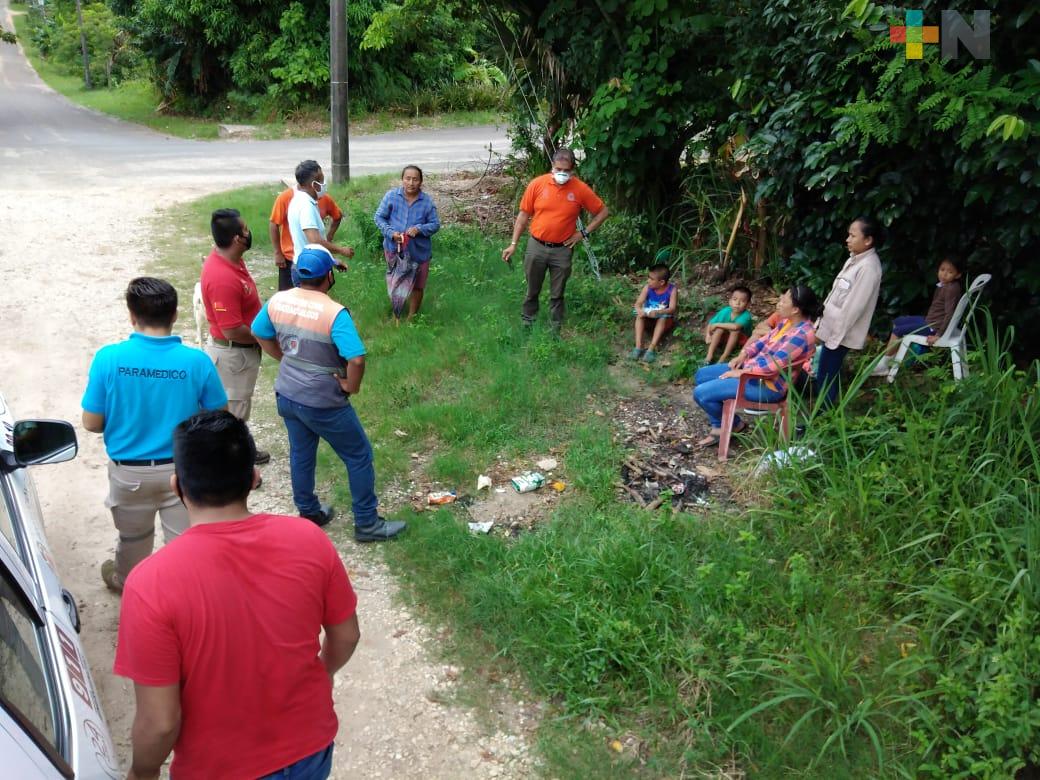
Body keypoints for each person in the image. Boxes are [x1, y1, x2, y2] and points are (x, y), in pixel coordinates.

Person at [113, 411, 360, 780]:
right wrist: (322, 675)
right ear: (254, 477)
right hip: (310, 748)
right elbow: (347, 635)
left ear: (176, 485)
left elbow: (161, 722)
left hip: (220, 768)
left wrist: (141, 773)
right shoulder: (308, 539)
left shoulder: (150, 583)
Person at [81, 277, 227, 593]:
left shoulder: (108, 359)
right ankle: (184, 594)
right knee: (184, 545)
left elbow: (91, 422)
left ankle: (128, 583)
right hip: (183, 470)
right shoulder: (196, 362)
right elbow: (220, 418)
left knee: (133, 539)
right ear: (174, 315)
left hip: (128, 473)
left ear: (132, 316)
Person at [251, 245, 406, 542]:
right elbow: (356, 358)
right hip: (323, 400)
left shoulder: (278, 299)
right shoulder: (334, 313)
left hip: (287, 394)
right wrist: (351, 386)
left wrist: (284, 359)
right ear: (328, 276)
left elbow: (259, 331)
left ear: (298, 275)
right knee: (358, 455)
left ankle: (309, 511)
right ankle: (367, 524)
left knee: (301, 453)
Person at [692, 285, 820, 447]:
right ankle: (735, 425)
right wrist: (743, 355)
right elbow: (762, 341)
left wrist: (741, 372)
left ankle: (722, 427)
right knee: (701, 375)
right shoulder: (788, 323)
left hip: (768, 385)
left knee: (701, 393)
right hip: (752, 370)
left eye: (784, 300)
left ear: (795, 309)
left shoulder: (802, 335)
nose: (779, 302)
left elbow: (773, 366)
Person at [501, 148, 610, 331]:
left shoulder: (580, 189)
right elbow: (523, 215)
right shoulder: (537, 184)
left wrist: (583, 233)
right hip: (536, 245)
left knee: (557, 292)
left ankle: (555, 328)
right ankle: (528, 323)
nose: (562, 174)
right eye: (558, 169)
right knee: (532, 288)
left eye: (566, 171)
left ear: (573, 169)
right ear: (552, 166)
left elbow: (603, 212)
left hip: (562, 249)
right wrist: (513, 244)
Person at [200, 208, 270, 465]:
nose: (249, 232)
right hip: (233, 354)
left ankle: (241, 450)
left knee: (239, 408)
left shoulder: (230, 259)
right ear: (237, 238)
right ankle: (233, 466)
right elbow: (231, 328)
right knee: (233, 414)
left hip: (239, 352)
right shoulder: (222, 277)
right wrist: (264, 337)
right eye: (246, 229)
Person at [814, 216, 885, 407]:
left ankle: (822, 417)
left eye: (852, 235)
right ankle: (822, 415)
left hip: (841, 333)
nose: (847, 239)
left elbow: (853, 309)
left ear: (868, 240)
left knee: (827, 373)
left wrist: (835, 337)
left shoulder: (869, 268)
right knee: (825, 372)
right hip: (832, 329)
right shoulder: (855, 260)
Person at [871, 256, 964, 376]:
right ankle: (893, 357)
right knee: (898, 321)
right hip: (931, 320)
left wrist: (938, 335)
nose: (944, 274)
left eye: (950, 272)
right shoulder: (946, 285)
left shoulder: (950, 289)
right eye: (942, 269)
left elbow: (950, 314)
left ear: (958, 275)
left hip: (934, 326)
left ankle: (883, 365)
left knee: (898, 331)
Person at [374, 165, 442, 321]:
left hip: (419, 251)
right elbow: (379, 217)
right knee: (396, 282)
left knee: (418, 285)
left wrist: (419, 229)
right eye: (408, 178)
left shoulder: (426, 202)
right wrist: (391, 233)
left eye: (415, 179)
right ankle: (396, 315)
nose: (411, 183)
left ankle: (411, 317)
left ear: (421, 182)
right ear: (402, 180)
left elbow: (435, 224)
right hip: (394, 249)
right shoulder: (391, 196)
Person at [287, 160, 354, 283]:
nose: (324, 184)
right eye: (321, 180)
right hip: (309, 271)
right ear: (314, 184)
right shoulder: (306, 206)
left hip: (306, 265)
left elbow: (307, 244)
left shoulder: (298, 200)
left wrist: (331, 261)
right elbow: (315, 241)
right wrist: (341, 250)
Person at [270, 184, 344, 291]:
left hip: (314, 260)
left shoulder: (323, 198)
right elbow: (274, 224)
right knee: (287, 298)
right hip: (290, 258)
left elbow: (337, 216)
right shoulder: (286, 197)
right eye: (320, 179)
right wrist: (277, 252)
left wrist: (328, 238)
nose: (323, 183)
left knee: (313, 299)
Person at [629, 263, 678, 363]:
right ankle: (638, 347)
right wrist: (640, 310)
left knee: (662, 318)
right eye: (648, 278)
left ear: (661, 282)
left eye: (651, 279)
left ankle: (651, 348)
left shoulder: (672, 290)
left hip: (664, 320)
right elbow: (638, 303)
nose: (648, 281)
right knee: (639, 316)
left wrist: (659, 312)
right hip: (649, 318)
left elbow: (672, 308)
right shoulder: (647, 288)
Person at [704, 286, 754, 363]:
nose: (737, 303)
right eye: (735, 299)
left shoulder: (746, 316)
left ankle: (723, 357)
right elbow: (711, 323)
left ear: (748, 304)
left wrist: (717, 324)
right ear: (730, 301)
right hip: (726, 336)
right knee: (719, 329)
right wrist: (708, 335)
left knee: (735, 331)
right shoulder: (726, 311)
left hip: (741, 340)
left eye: (742, 301)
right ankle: (709, 356)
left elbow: (735, 326)